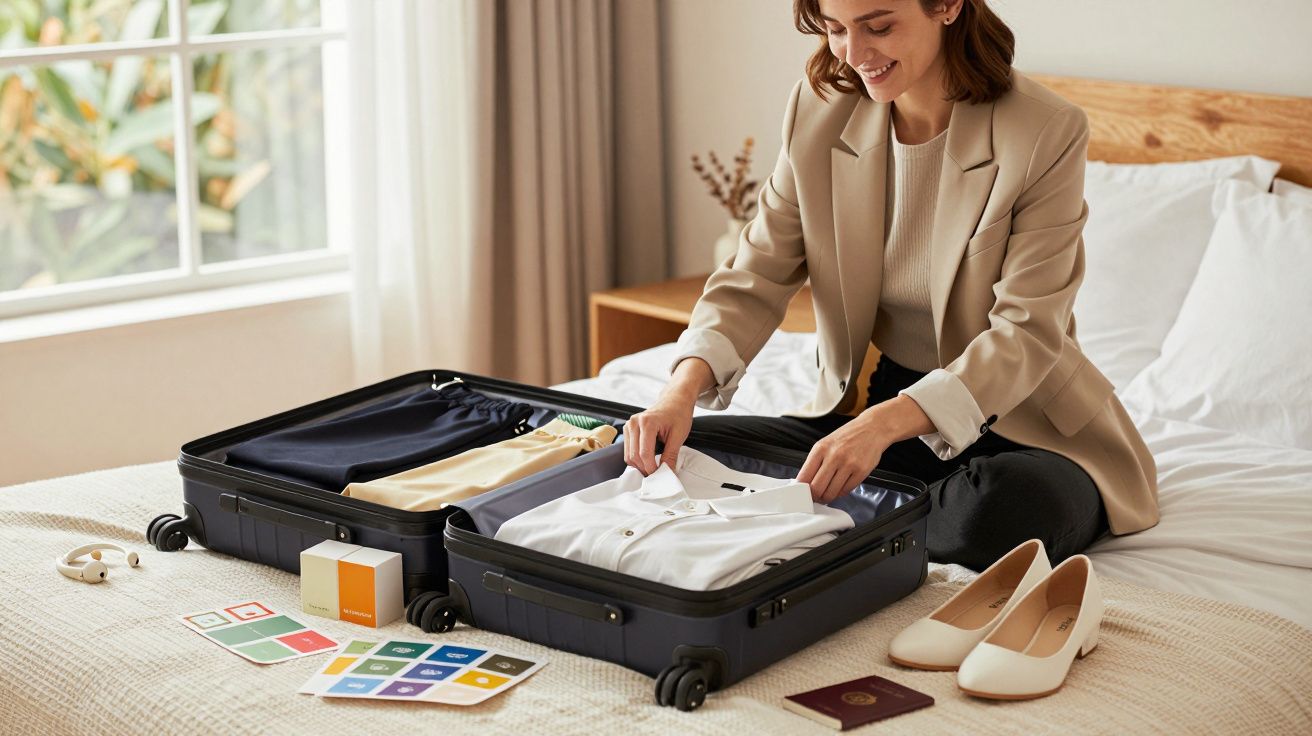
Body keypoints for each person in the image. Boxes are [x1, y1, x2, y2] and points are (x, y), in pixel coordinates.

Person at [623, 0, 1158, 571]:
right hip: (880, 412)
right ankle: (880, 509)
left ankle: (853, 512)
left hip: (1024, 425)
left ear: (948, 6)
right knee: (685, 457)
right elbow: (755, 272)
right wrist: (680, 391)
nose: (854, 55)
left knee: (991, 514)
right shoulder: (819, 110)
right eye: (834, 30)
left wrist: (879, 427)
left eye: (878, 27)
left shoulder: (1044, 130)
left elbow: (1027, 333)